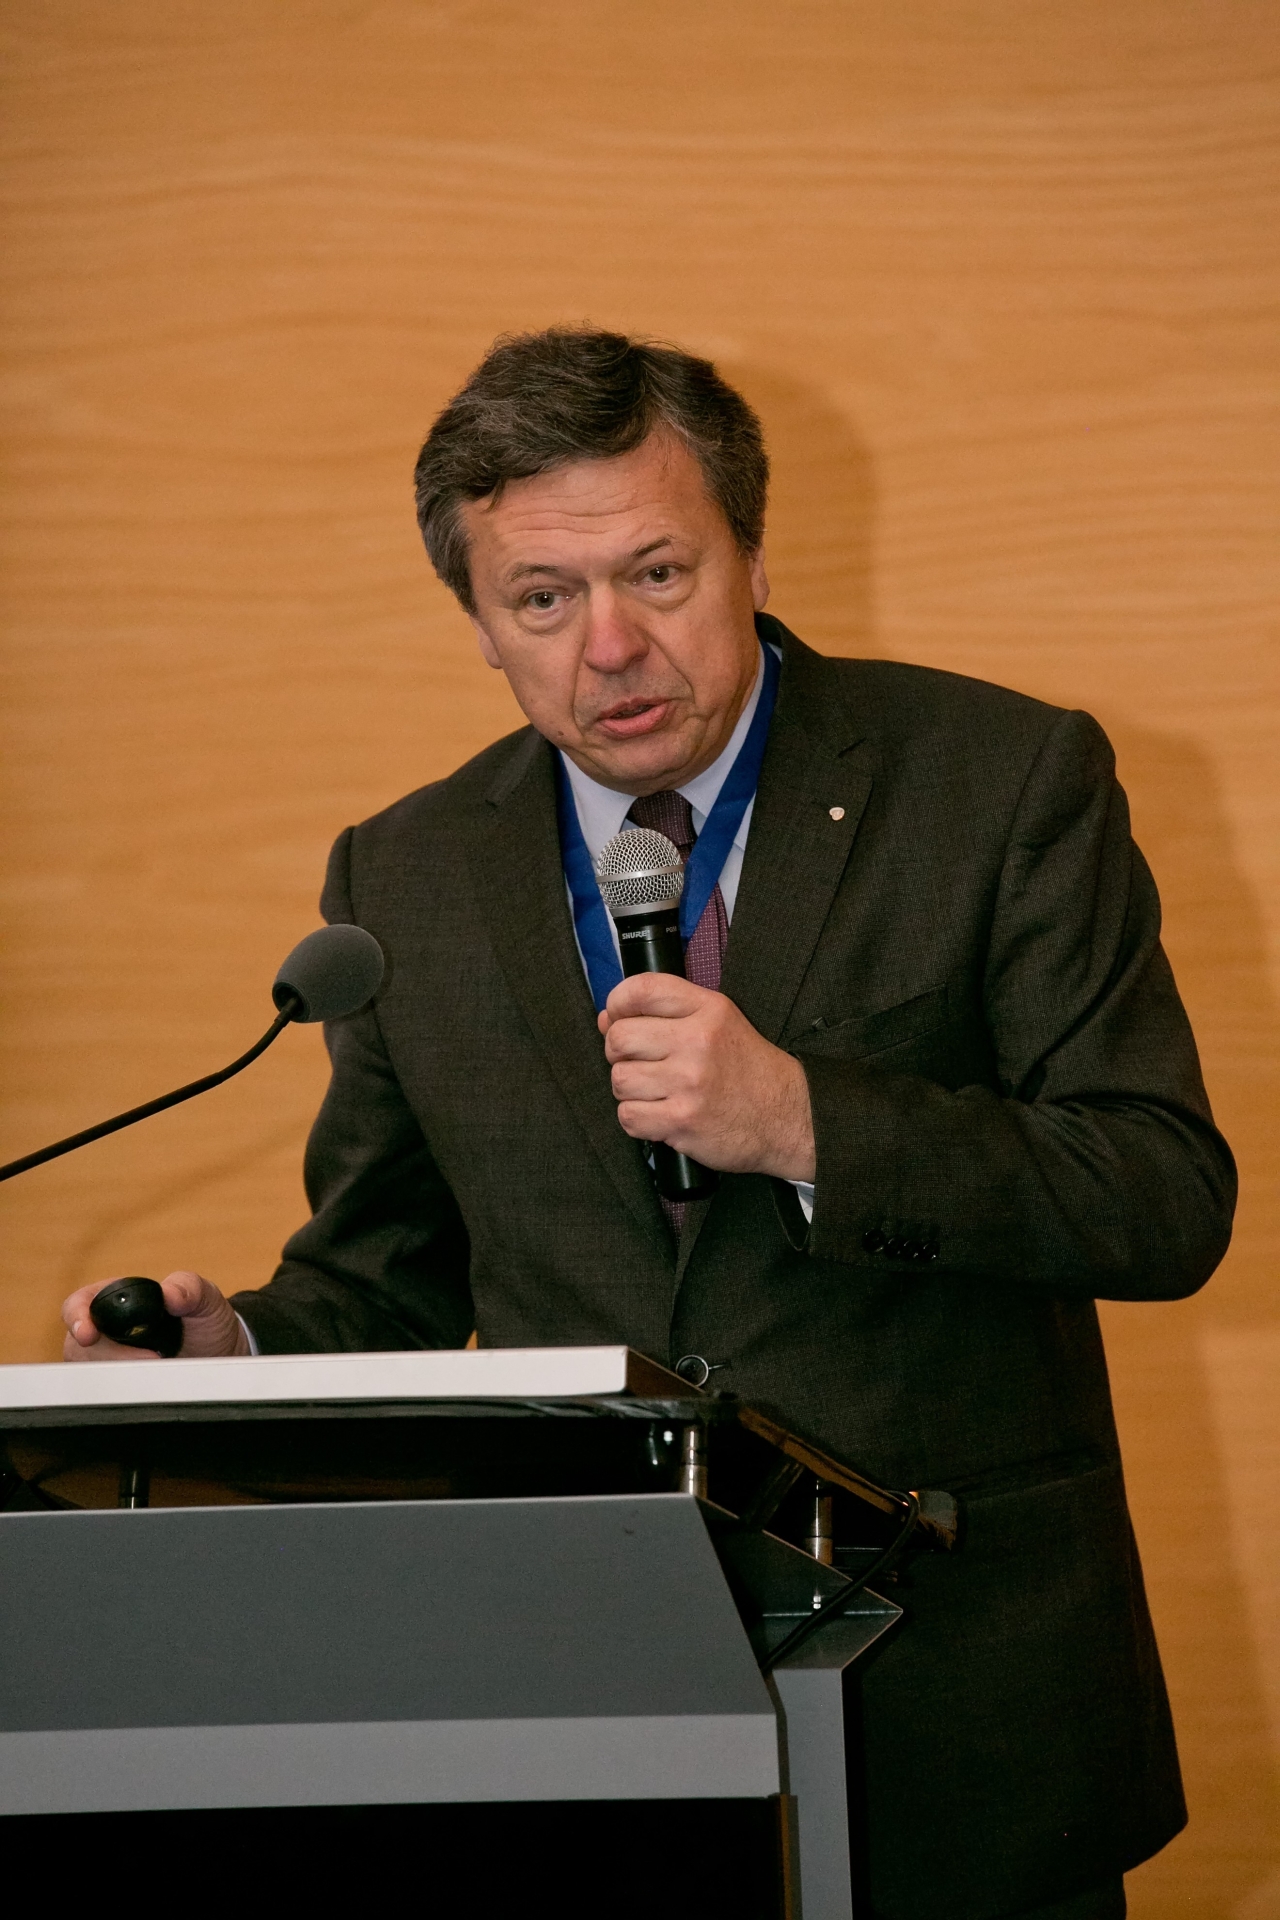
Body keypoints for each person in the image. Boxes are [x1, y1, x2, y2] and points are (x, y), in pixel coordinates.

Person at [62, 329, 1235, 1920]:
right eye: (542, 599)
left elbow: (1160, 1193)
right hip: (588, 1703)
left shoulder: (999, 780)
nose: (609, 646)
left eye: (659, 574)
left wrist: (808, 1122)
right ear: (480, 625)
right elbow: (391, 1277)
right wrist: (242, 1356)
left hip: (963, 1699)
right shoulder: (407, 874)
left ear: (751, 552)